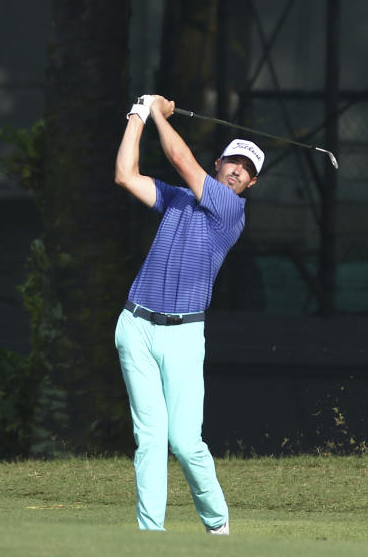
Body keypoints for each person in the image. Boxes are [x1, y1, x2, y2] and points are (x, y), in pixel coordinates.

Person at [113, 94, 264, 534]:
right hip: (136, 326)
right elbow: (125, 175)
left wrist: (158, 112)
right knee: (150, 440)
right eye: (234, 162)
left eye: (248, 170)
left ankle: (218, 525)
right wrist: (138, 115)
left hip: (182, 335)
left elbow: (179, 156)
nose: (238, 170)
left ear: (251, 184)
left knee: (184, 442)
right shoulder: (177, 200)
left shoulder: (231, 211)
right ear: (219, 163)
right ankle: (150, 534)